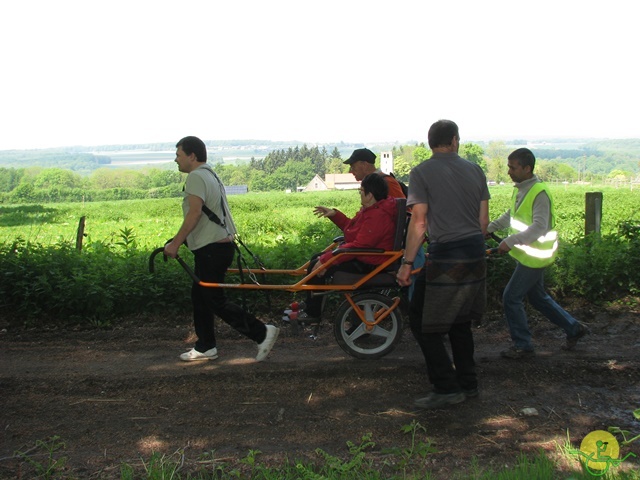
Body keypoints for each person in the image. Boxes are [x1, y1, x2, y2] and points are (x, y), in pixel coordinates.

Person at [397, 120, 490, 409]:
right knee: (460, 321)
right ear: (453, 140)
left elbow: (420, 222)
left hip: (446, 253)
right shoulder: (475, 170)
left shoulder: (422, 172)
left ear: (431, 143)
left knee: (422, 322)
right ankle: (468, 382)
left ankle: (446, 387)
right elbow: (483, 222)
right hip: (475, 252)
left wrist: (406, 263)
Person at [164, 136, 279, 362]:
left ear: (192, 156)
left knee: (213, 299)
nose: (175, 160)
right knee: (200, 297)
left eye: (178, 155)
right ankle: (206, 346)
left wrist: (176, 243)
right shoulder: (210, 174)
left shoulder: (196, 177)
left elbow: (195, 213)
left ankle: (262, 332)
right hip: (217, 246)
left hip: (211, 249)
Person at [487, 148, 588, 359]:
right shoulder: (520, 188)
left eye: (512, 168)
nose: (509, 172)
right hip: (527, 254)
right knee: (538, 298)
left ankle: (523, 346)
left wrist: (510, 241)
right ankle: (573, 328)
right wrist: (490, 228)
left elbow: (540, 227)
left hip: (535, 256)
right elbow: (511, 215)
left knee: (511, 297)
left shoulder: (539, 192)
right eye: (508, 167)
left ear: (527, 168)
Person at [287, 173, 399, 321]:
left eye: (361, 190)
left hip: (370, 262)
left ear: (370, 195)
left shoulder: (377, 216)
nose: (359, 193)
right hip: (364, 256)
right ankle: (311, 304)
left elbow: (359, 246)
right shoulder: (371, 210)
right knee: (316, 258)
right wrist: (334, 215)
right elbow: (352, 231)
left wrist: (328, 259)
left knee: (318, 263)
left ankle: (312, 312)